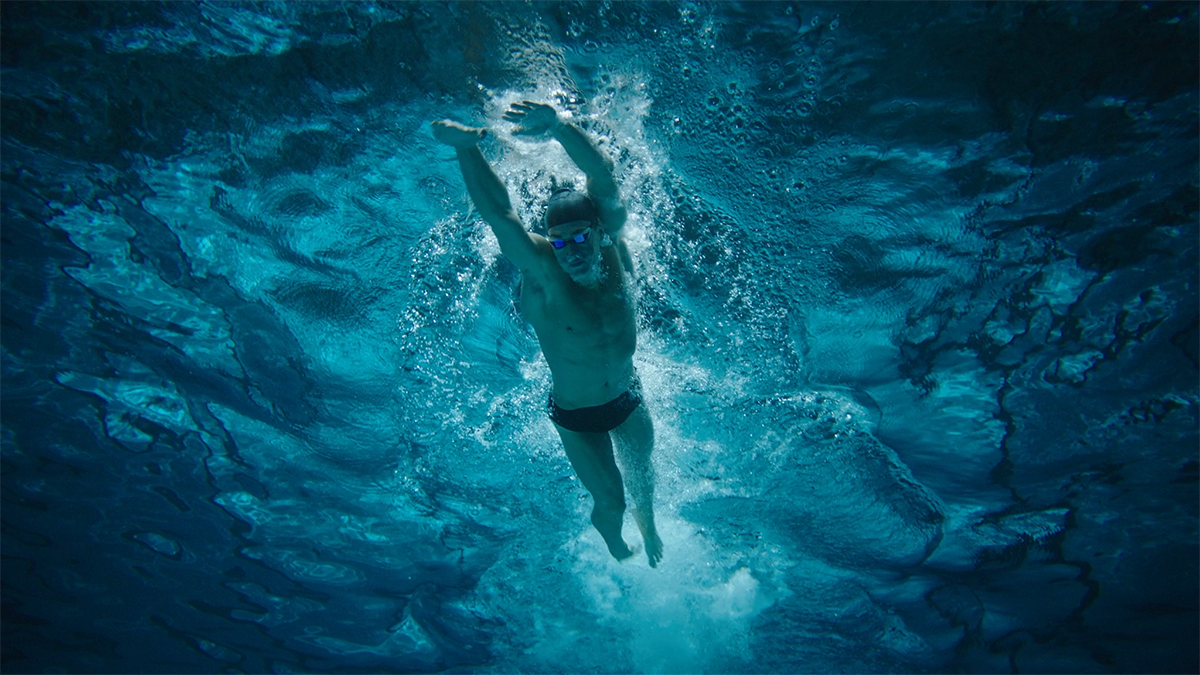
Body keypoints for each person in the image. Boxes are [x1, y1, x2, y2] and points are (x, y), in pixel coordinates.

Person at [431, 101, 663, 568]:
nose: (571, 251)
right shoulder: (542, 272)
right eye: (559, 242)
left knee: (644, 485)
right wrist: (466, 150)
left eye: (580, 237)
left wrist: (559, 126)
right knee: (612, 502)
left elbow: (603, 174)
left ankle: (652, 527)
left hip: (628, 396)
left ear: (599, 231)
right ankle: (615, 542)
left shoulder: (615, 245)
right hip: (577, 417)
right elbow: (500, 216)